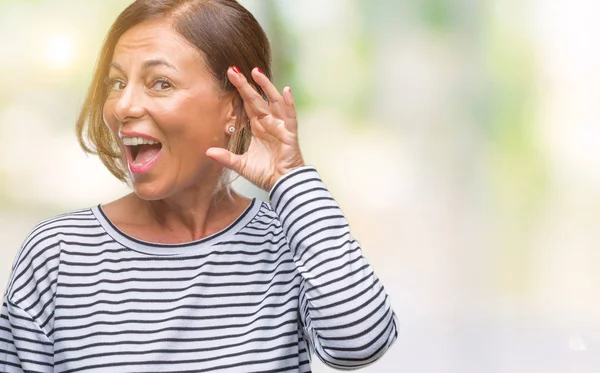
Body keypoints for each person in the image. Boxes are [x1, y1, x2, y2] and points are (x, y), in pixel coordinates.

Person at [0, 0, 398, 371]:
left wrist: (288, 177)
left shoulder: (289, 242)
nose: (122, 107)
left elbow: (360, 343)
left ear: (235, 106)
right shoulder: (57, 254)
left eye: (160, 83)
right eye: (117, 83)